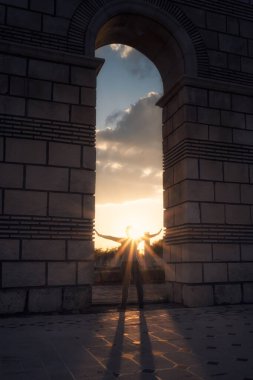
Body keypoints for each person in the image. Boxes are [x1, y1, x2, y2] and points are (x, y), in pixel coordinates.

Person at [95, 226, 144, 310]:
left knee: (138, 284)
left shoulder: (136, 240)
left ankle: (140, 305)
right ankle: (124, 305)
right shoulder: (125, 240)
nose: (128, 232)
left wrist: (157, 234)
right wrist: (100, 235)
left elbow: (147, 237)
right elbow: (111, 237)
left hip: (134, 263)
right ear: (126, 232)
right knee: (125, 284)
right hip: (125, 263)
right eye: (127, 231)